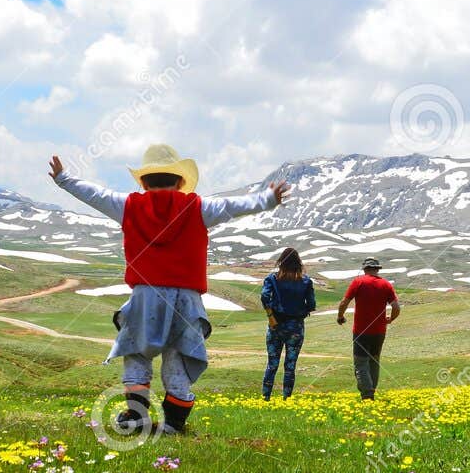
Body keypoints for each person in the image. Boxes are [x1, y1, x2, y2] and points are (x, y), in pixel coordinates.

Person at [49, 145, 290, 434]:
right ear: (179, 181)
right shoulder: (198, 207)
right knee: (178, 356)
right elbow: (231, 207)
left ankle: (136, 416)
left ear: (143, 181)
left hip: (145, 297)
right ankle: (174, 423)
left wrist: (64, 179)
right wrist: (267, 199)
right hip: (187, 300)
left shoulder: (127, 205)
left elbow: (95, 195)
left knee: (137, 354)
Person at [336, 258, 399, 400]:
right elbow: (396, 307)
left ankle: (367, 395)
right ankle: (371, 391)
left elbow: (344, 302)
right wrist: (390, 319)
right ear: (378, 269)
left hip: (361, 331)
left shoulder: (358, 282)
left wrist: (340, 316)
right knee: (374, 361)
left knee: (361, 362)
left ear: (364, 269)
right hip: (379, 331)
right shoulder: (386, 284)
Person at [260, 247, 315, 400]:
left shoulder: (272, 278)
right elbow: (311, 304)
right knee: (290, 366)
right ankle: (286, 398)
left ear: (281, 262)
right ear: (298, 263)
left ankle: (266, 397)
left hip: (275, 324)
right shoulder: (305, 281)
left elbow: (264, 296)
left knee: (272, 363)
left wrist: (270, 314)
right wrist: (301, 311)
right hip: (296, 327)